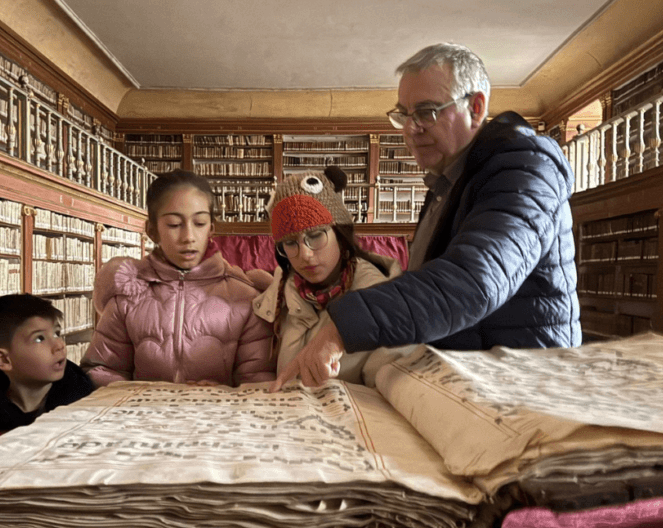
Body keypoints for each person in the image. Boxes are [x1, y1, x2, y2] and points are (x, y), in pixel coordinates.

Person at [272, 42, 580, 390]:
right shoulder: (446, 183)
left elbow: (473, 281)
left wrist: (340, 327)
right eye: (403, 114)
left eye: (427, 112)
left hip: (531, 387)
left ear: (476, 107)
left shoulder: (525, 168)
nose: (410, 128)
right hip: (481, 382)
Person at [82, 169, 276, 386]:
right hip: (143, 416)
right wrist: (135, 395)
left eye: (200, 224)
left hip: (217, 416)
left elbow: (258, 380)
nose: (188, 237)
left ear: (212, 229)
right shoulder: (128, 296)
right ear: (152, 231)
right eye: (174, 224)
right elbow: (101, 371)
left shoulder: (244, 298)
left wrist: (225, 394)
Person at [252, 167, 409, 385]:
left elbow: (393, 380)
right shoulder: (281, 294)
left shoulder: (381, 297)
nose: (305, 255)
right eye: (290, 243)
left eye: (315, 236)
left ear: (340, 235)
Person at [0, 294, 95, 432]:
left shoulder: (85, 403)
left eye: (57, 333)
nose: (59, 345)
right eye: (39, 339)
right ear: (3, 360)